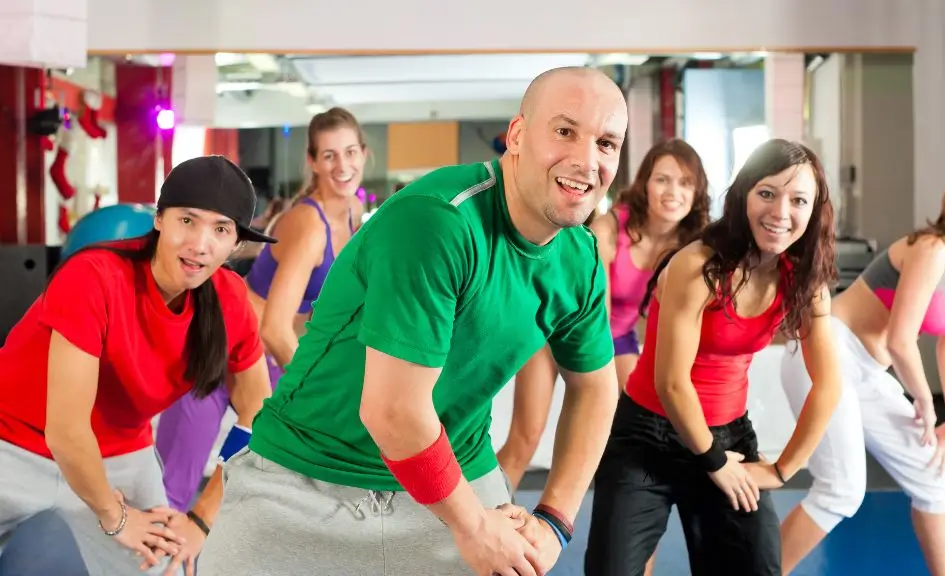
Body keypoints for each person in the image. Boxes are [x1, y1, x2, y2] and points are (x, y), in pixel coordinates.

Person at [197, 66, 627, 576]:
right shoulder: (439, 220)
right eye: (564, 131)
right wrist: (473, 529)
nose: (585, 159)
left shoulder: (578, 258)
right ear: (516, 135)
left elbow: (596, 389)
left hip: (453, 475)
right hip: (306, 480)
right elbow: (394, 412)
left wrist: (555, 520)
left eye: (606, 143)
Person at [0, 155, 276, 576]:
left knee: (172, 565)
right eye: (188, 220)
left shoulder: (228, 299)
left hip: (120, 456)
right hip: (11, 445)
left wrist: (203, 516)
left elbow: (259, 412)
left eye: (220, 229)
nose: (200, 244)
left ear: (236, 243)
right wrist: (117, 518)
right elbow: (67, 431)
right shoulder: (94, 276)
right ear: (160, 219)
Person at [583, 138, 844, 576]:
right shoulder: (697, 264)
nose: (781, 212)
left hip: (728, 437)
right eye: (767, 193)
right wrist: (713, 462)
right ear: (743, 195)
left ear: (814, 210)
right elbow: (671, 382)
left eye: (798, 200)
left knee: (757, 565)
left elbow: (828, 383)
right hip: (648, 439)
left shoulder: (804, 280)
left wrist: (781, 470)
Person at [778, 161, 945, 575]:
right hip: (824, 351)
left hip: (866, 372)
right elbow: (899, 339)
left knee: (938, 477)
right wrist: (926, 403)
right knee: (841, 490)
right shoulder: (932, 249)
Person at [154, 107, 368, 512]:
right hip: (219, 351)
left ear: (364, 154)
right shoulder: (309, 225)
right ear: (313, 162)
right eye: (329, 155)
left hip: (264, 360)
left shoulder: (354, 214)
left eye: (350, 152)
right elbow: (274, 328)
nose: (342, 165)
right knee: (172, 494)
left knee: (252, 492)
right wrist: (319, 386)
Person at [497, 138, 710, 490]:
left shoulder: (691, 244)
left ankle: (633, 518)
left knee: (640, 430)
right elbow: (596, 318)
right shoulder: (609, 229)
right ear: (645, 184)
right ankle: (485, 516)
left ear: (697, 191)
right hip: (559, 330)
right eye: (663, 179)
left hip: (619, 338)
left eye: (685, 183)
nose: (673, 191)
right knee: (526, 437)